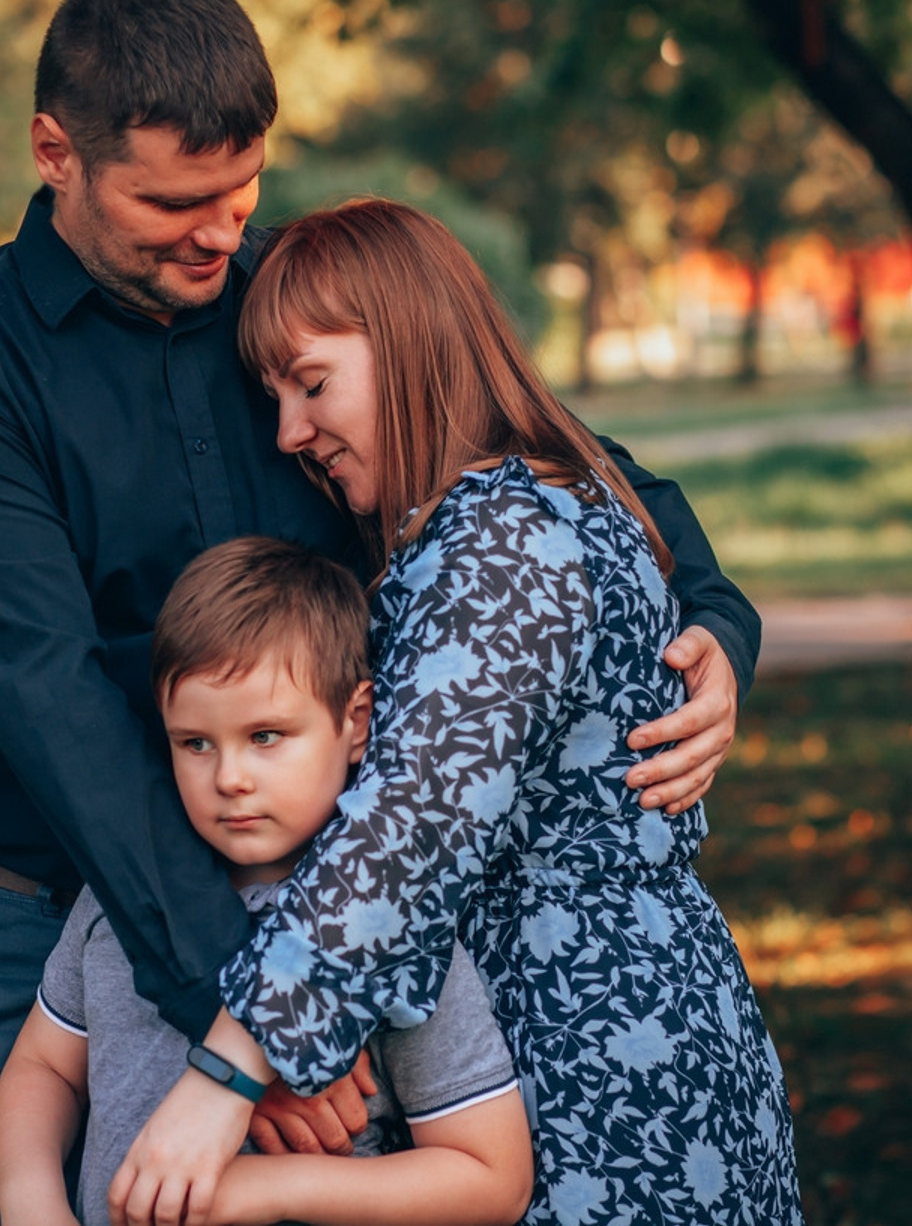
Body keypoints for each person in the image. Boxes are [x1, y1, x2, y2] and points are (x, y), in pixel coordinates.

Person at [0, 0, 759, 1225]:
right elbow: (56, 704)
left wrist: (716, 627)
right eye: (173, 201)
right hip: (37, 910)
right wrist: (250, 1013)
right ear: (53, 153)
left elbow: (570, 462)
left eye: (241, 192)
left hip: (326, 901)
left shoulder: (303, 303)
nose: (219, 233)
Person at [111, 200, 803, 1226]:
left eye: (310, 384)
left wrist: (224, 1074)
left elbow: (409, 823)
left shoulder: (502, 549)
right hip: (605, 1019)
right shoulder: (524, 503)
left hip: (590, 1059)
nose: (290, 433)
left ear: (406, 345)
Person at [0, 537, 534, 1226]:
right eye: (195, 742)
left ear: (356, 722)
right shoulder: (117, 903)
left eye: (268, 735)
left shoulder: (390, 931)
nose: (230, 777)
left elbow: (492, 1177)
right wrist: (29, 1199)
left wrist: (270, 1189)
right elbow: (44, 1068)